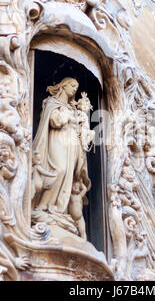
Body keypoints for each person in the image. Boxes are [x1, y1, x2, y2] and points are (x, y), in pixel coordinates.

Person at [32, 78, 91, 218]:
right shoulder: (52, 103)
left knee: (67, 176)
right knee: (59, 170)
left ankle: (57, 209)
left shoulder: (73, 109)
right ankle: (42, 206)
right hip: (57, 139)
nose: (74, 89)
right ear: (63, 86)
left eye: (76, 87)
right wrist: (68, 118)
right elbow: (55, 121)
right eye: (72, 85)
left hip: (71, 145)